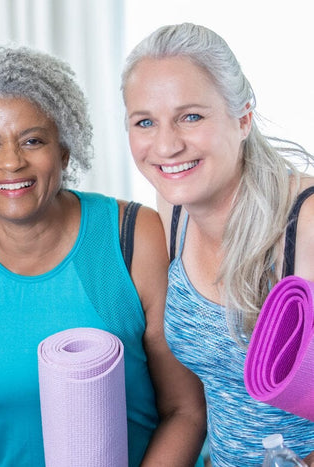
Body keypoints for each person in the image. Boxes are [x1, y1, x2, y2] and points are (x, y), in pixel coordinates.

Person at [0, 45, 206, 467]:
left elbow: (184, 411)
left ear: (63, 149)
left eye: (33, 140)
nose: (11, 162)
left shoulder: (130, 236)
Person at [121, 22, 314, 466]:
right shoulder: (173, 211)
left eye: (191, 116)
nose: (167, 145)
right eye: (145, 121)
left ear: (243, 118)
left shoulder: (303, 225)